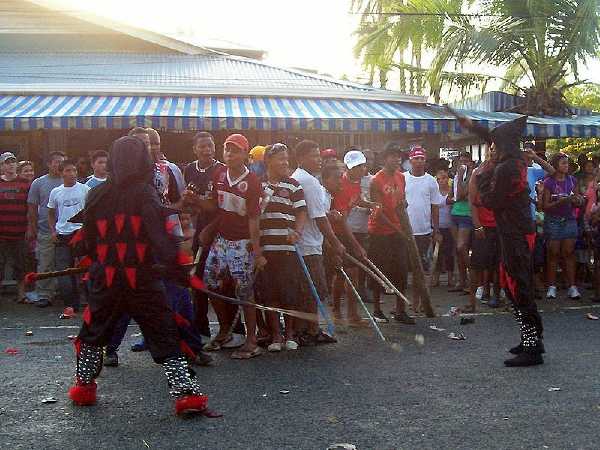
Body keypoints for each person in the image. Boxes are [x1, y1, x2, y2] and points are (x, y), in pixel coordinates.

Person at [66, 136, 208, 415]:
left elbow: (88, 242)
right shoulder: (144, 193)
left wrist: (102, 262)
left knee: (94, 331)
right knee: (163, 331)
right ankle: (186, 395)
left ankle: (83, 387)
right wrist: (175, 268)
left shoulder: (96, 194)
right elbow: (159, 237)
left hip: (106, 279)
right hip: (142, 280)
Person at [462, 114, 544, 366]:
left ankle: (532, 348)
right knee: (511, 285)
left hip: (516, 233)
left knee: (518, 286)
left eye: (495, 144)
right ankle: (530, 339)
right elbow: (492, 136)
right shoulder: (513, 158)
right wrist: (474, 126)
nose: (491, 147)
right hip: (514, 231)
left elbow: (490, 200)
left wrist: (481, 180)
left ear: (504, 145)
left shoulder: (506, 167)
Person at [201, 133, 265, 359]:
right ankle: (225, 330)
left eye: (235, 150)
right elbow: (215, 207)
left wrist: (257, 250)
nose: (229, 153)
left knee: (245, 290)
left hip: (242, 242)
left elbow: (254, 219)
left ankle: (251, 340)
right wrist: (194, 201)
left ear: (245, 155)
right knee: (210, 284)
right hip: (221, 239)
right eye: (227, 149)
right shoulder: (218, 174)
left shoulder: (253, 182)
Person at [291, 140, 345, 345]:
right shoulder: (309, 181)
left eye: (318, 155)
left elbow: (320, 213)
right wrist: (335, 242)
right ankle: (310, 330)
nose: (319, 160)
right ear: (301, 158)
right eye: (314, 156)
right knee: (314, 289)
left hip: (305, 242)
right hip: (309, 243)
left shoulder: (300, 177)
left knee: (308, 289)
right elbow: (319, 218)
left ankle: (307, 329)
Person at [256, 143, 306, 351]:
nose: (285, 163)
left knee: (289, 293)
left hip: (288, 248)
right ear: (268, 160)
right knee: (270, 294)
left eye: (287, 159)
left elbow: (302, 212)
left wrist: (298, 231)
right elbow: (253, 215)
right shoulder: (258, 185)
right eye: (280, 159)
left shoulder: (294, 185)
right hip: (266, 249)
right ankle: (276, 335)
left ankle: (290, 334)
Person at [183, 132, 227, 341]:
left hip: (220, 230)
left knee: (221, 281)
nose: (207, 150)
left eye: (210, 145)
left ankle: (231, 329)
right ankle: (200, 327)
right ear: (195, 149)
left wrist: (198, 201)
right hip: (199, 230)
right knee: (197, 278)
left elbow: (220, 206)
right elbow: (190, 205)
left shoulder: (221, 170)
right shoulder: (190, 170)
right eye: (202, 147)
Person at [368, 143, 414, 324]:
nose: (396, 159)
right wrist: (397, 229)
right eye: (392, 156)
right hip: (380, 232)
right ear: (384, 158)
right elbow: (377, 212)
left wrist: (403, 209)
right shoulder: (376, 180)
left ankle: (400, 310)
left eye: (398, 156)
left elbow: (402, 202)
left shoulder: (401, 177)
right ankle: (377, 309)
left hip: (398, 231)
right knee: (381, 271)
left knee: (401, 270)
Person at [328, 151, 369, 325]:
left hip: (348, 231)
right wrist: (356, 245)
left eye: (362, 166)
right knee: (342, 274)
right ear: (348, 168)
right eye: (357, 167)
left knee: (353, 273)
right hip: (338, 233)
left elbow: (357, 200)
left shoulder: (356, 182)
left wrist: (372, 205)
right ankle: (337, 311)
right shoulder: (340, 184)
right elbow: (343, 220)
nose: (361, 169)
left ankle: (352, 314)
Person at [47, 159, 90, 318]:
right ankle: (70, 304)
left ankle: (90, 302)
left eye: (74, 170)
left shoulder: (85, 189)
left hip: (80, 233)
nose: (72, 174)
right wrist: (53, 231)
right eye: (68, 171)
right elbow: (51, 213)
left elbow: (91, 211)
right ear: (61, 173)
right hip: (62, 234)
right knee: (64, 271)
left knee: (86, 269)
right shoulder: (56, 192)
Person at [403, 146, 442, 312]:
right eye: (416, 158)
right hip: (404, 231)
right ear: (410, 160)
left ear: (425, 161)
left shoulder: (431, 181)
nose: (419, 161)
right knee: (403, 269)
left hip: (424, 232)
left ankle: (417, 302)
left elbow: (435, 207)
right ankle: (403, 304)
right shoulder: (402, 178)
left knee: (420, 270)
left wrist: (437, 230)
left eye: (421, 158)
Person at [27, 151, 66, 307]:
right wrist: (32, 227)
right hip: (45, 230)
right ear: (49, 164)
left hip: (67, 230)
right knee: (45, 264)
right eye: (56, 161)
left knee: (66, 265)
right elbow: (32, 206)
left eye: (62, 161)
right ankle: (44, 294)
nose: (59, 164)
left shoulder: (69, 181)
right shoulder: (38, 183)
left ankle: (68, 295)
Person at [542, 153, 584, 300]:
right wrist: (560, 201)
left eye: (567, 163)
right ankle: (551, 286)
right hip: (553, 220)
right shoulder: (548, 182)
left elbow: (578, 201)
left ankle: (572, 286)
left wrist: (577, 200)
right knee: (553, 253)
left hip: (569, 219)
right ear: (555, 165)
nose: (566, 166)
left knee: (569, 252)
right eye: (563, 163)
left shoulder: (572, 180)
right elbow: (544, 206)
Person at [468, 146, 500, 311]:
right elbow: (472, 201)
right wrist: (477, 225)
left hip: (500, 225)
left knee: (498, 263)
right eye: (492, 149)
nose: (494, 152)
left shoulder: (505, 170)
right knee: (477, 264)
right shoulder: (478, 172)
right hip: (483, 225)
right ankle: (471, 300)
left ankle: (496, 295)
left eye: (497, 149)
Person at [0, 152, 30, 303]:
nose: (10, 164)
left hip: (21, 231)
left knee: (21, 264)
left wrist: (30, 228)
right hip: (2, 233)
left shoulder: (25, 183)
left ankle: (21, 294)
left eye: (13, 161)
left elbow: (31, 208)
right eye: (7, 162)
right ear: (2, 166)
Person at [449, 152, 473, 295]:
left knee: (462, 246)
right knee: (457, 251)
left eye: (466, 162)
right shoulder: (456, 177)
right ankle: (462, 281)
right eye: (461, 161)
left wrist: (466, 174)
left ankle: (473, 280)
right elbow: (452, 196)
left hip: (466, 214)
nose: (463, 164)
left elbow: (461, 194)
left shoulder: (472, 176)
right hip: (455, 214)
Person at [432, 168, 455, 288]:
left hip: (450, 226)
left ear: (448, 179)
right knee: (437, 254)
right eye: (439, 179)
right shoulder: (433, 192)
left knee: (449, 253)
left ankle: (451, 278)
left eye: (444, 178)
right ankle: (436, 278)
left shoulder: (452, 192)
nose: (441, 180)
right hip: (437, 226)